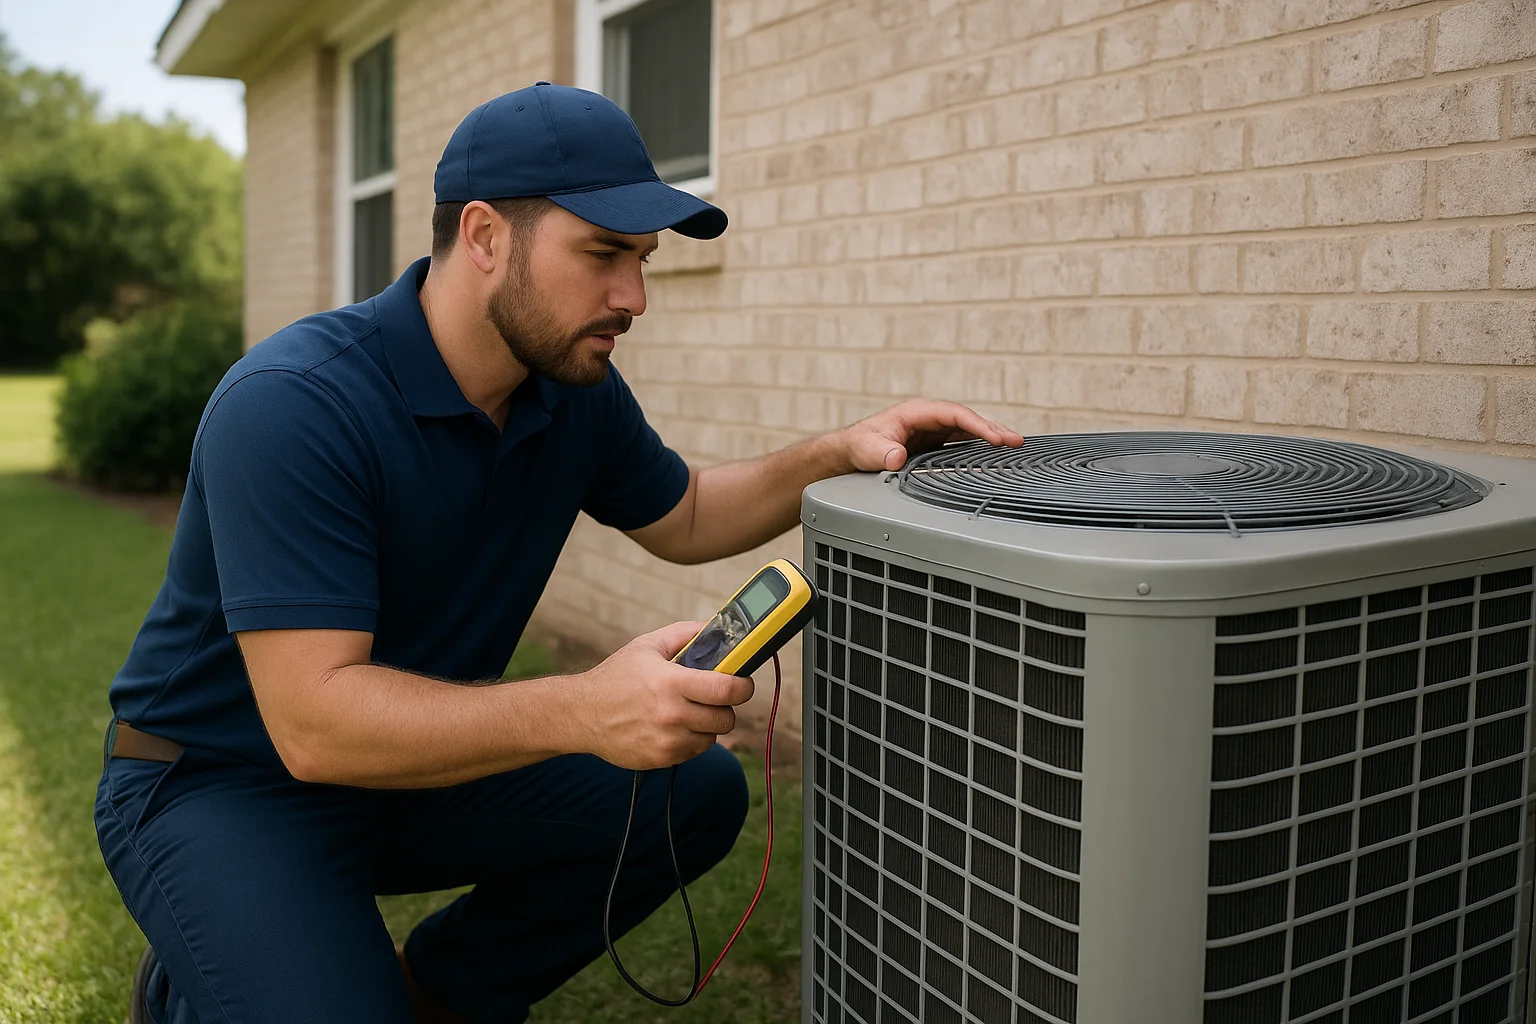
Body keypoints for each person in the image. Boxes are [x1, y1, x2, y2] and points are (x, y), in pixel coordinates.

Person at [94, 82, 1023, 1024]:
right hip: (221, 783)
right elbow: (316, 724)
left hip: (411, 771)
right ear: (488, 237)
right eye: (605, 254)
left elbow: (688, 512)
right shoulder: (295, 404)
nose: (636, 298)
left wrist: (839, 450)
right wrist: (584, 707)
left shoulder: (570, 389)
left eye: (645, 260)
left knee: (691, 791)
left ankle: (438, 990)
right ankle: (194, 986)